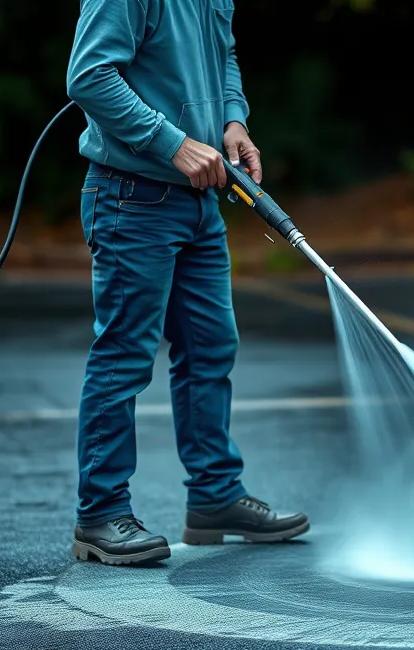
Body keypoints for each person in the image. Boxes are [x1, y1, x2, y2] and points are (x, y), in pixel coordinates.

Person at [64, 0, 309, 566]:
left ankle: (214, 497)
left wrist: (233, 121)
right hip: (132, 194)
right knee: (125, 353)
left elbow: (221, 57)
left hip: (199, 201)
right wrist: (172, 143)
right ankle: (99, 515)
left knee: (210, 346)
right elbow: (89, 75)